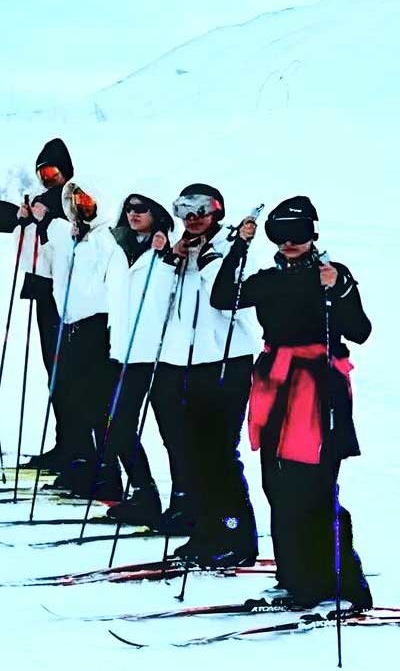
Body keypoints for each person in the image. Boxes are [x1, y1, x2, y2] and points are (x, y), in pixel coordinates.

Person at [213, 196, 372, 608]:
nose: (288, 244)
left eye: (297, 234)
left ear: (313, 233)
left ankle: (341, 583)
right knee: (277, 484)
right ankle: (293, 577)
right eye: (279, 235)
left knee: (316, 489)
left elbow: (360, 330)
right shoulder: (268, 279)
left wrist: (340, 288)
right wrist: (239, 247)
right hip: (276, 386)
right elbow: (222, 297)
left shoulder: (330, 275)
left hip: (319, 389)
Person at [153, 183, 260, 568]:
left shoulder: (231, 249)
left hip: (226, 360)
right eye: (185, 211)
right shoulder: (181, 251)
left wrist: (218, 255)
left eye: (202, 210)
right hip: (186, 362)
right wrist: (171, 260)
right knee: (193, 453)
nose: (193, 218)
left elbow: (225, 296)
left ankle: (235, 533)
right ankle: (205, 531)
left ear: (217, 212)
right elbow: (156, 303)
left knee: (218, 453)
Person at [0, 138, 75, 471]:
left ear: (65, 171)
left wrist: (40, 217)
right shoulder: (43, 200)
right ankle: (65, 442)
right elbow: (12, 218)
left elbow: (74, 228)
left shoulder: (75, 197)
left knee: (67, 372)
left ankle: (78, 448)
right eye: (42, 172)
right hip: (45, 290)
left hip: (68, 296)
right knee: (54, 370)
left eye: (52, 171)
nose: (47, 177)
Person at [35, 183, 120, 499]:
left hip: (99, 326)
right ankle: (84, 467)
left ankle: (108, 475)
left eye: (86, 200)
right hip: (73, 325)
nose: (80, 207)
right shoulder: (74, 238)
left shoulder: (104, 238)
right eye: (74, 201)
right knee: (75, 401)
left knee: (99, 407)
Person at [100, 194, 176, 525]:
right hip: (124, 351)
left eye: (141, 209)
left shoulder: (171, 252)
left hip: (159, 355)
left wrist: (168, 255)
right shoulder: (118, 247)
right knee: (118, 426)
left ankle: (185, 502)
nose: (133, 214)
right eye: (129, 208)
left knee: (171, 433)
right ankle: (144, 493)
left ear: (156, 213)